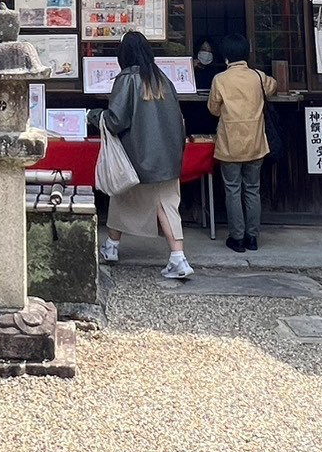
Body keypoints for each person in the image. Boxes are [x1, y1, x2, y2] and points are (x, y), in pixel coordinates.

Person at [91, 30, 192, 279]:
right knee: (166, 203)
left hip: (137, 156)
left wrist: (93, 115)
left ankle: (116, 248)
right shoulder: (161, 79)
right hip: (167, 156)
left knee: (123, 196)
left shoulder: (126, 79)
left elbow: (115, 120)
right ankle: (174, 256)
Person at [207, 33, 278, 252]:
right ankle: (253, 238)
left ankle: (236, 238)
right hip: (256, 143)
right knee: (253, 189)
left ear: (225, 56)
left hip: (230, 144)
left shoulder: (220, 79)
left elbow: (213, 109)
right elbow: (273, 87)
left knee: (232, 190)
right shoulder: (258, 76)